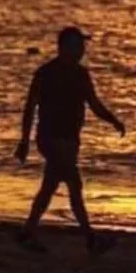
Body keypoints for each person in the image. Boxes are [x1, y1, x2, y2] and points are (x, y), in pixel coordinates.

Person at [16, 25, 125, 255]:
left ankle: (28, 232)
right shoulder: (45, 74)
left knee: (50, 187)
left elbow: (94, 104)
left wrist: (113, 120)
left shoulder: (81, 75)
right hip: (51, 140)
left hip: (69, 141)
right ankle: (91, 238)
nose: (83, 50)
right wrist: (24, 140)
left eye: (83, 46)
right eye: (79, 45)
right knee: (74, 185)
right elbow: (30, 108)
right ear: (65, 47)